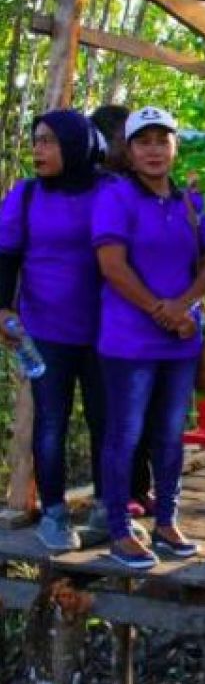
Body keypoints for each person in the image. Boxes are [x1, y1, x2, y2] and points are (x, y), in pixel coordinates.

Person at [93, 106, 205, 570]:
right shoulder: (116, 197)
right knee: (124, 435)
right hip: (129, 341)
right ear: (128, 149)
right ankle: (119, 531)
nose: (153, 150)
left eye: (161, 140)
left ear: (174, 146)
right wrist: (160, 310)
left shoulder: (191, 200)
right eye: (143, 141)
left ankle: (166, 521)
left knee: (170, 435)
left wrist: (183, 305)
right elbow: (112, 265)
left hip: (181, 339)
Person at [0, 110, 107, 551]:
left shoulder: (112, 192)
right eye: (36, 141)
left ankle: (108, 508)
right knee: (50, 423)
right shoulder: (25, 197)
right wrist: (4, 311)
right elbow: (5, 258)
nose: (38, 150)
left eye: (48, 141)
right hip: (45, 331)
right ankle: (54, 514)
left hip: (106, 331)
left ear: (76, 145)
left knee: (109, 422)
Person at [91, 103, 157, 522]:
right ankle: (115, 494)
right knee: (113, 413)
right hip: (111, 309)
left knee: (145, 409)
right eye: (129, 140)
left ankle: (140, 486)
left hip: (148, 312)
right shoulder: (101, 187)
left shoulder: (149, 185)